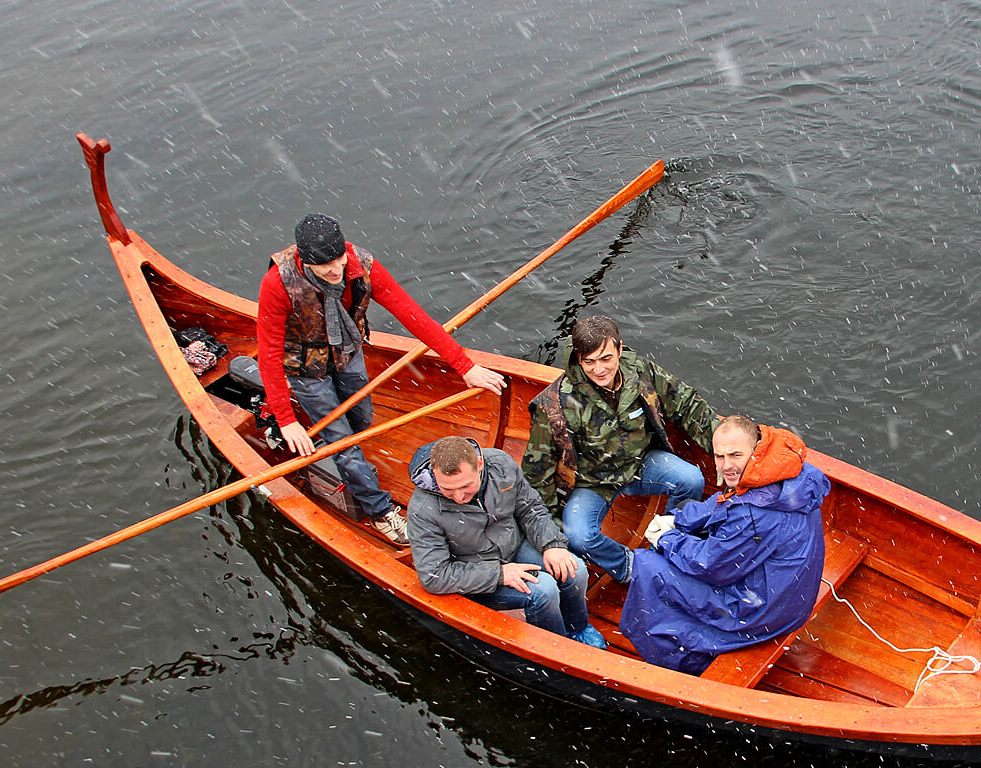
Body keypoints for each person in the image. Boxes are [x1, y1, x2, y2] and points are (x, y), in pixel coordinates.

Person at [256, 213, 505, 546]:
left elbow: (412, 315)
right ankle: (380, 511)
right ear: (304, 261)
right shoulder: (279, 284)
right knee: (341, 441)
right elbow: (269, 353)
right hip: (305, 369)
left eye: (338, 259)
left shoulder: (362, 265)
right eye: (324, 265)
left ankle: (349, 460)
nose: (335, 270)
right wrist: (286, 420)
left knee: (362, 419)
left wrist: (464, 366)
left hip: (348, 351)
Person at [618, 416, 830, 675]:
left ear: (755, 450)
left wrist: (667, 539)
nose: (727, 466)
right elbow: (725, 502)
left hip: (763, 613)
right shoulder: (786, 473)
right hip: (791, 600)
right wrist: (679, 519)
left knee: (648, 565)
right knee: (689, 533)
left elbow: (711, 566)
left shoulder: (754, 515)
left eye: (735, 455)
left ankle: (676, 660)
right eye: (720, 457)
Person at [522, 315, 720, 585]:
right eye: (589, 362)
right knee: (578, 536)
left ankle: (669, 543)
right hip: (591, 482)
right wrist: (551, 539)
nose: (599, 369)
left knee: (691, 479)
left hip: (639, 464)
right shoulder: (554, 404)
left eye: (606, 358)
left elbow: (686, 403)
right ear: (579, 359)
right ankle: (633, 567)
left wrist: (725, 444)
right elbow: (537, 475)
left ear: (619, 348)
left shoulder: (639, 371)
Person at [407, 436, 605, 648]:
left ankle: (578, 628)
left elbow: (530, 508)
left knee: (575, 570)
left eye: (466, 486)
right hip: (475, 572)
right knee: (543, 592)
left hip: (514, 545)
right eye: (447, 489)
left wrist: (552, 544)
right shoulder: (422, 510)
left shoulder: (500, 464)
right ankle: (557, 649)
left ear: (479, 464)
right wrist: (498, 574)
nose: (458, 497)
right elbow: (434, 576)